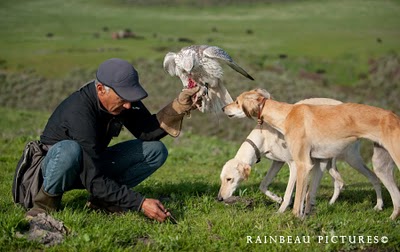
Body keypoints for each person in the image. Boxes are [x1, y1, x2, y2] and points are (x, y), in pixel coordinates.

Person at [24, 58, 201, 222]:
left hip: (91, 164)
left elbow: (147, 132)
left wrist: (178, 107)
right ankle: (42, 207)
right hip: (51, 173)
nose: (128, 106)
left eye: (131, 99)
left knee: (155, 150)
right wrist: (140, 203)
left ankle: (102, 201)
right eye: (123, 99)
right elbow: (94, 178)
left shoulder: (124, 101)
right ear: (101, 89)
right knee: (70, 150)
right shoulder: (79, 112)